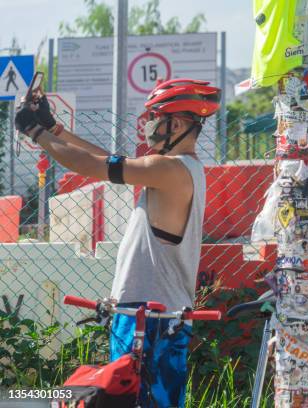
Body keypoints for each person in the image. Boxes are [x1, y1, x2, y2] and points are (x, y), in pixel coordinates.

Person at [14, 78, 221, 408]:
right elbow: (109, 161)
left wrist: (35, 133)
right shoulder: (181, 168)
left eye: (155, 116)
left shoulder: (167, 168)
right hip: (156, 317)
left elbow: (92, 166)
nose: (148, 124)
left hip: (151, 321)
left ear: (178, 124)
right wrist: (54, 129)